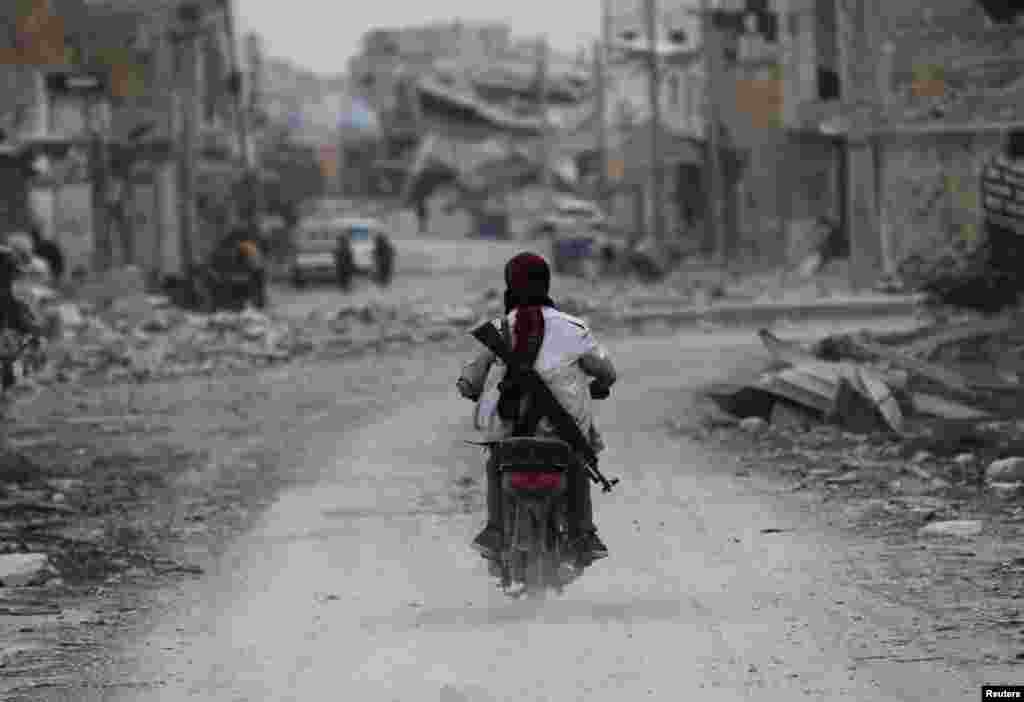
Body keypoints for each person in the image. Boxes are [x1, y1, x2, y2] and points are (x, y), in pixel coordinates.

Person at [456, 252, 616, 563]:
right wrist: (599, 385)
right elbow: (607, 373)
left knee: (495, 462)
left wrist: (472, 390)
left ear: (510, 286)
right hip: (563, 439)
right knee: (578, 459)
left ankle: (495, 530)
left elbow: (469, 382)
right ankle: (584, 533)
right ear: (547, 284)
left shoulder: (500, 328)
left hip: (512, 442)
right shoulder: (574, 328)